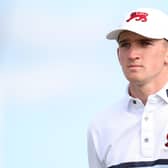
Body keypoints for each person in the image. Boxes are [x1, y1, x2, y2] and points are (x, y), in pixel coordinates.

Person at [87, 8, 168, 168]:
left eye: (145, 43)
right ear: (118, 55)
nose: (132, 55)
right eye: (125, 44)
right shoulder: (101, 125)